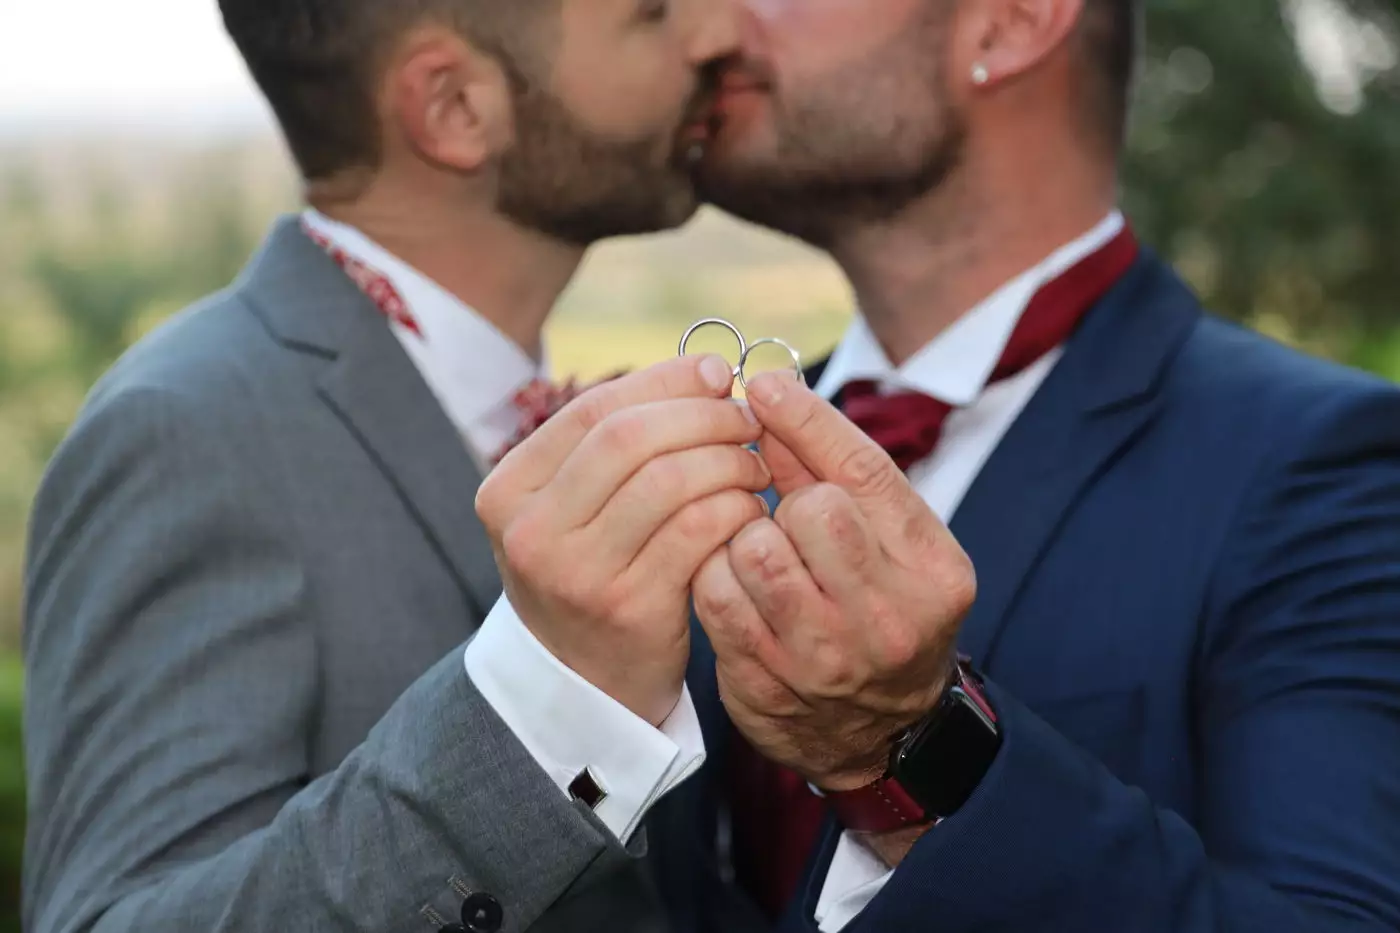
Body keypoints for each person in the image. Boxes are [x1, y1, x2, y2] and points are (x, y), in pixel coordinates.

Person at [647, 0, 1400, 929]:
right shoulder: (709, 449)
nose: (712, 26)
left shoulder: (1322, 464)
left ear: (1009, 22)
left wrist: (911, 755)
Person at [20, 1, 760, 931]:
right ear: (453, 106)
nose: (714, 33)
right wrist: (548, 708)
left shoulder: (547, 407)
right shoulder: (187, 431)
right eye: (650, 13)